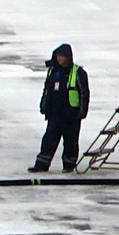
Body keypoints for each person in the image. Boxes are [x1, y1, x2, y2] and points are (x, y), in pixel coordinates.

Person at [31, 43, 89, 174]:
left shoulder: (78, 72)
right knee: (48, 140)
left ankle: (68, 166)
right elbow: (47, 90)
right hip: (55, 114)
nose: (59, 59)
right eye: (58, 56)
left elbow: (84, 93)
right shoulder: (53, 71)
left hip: (71, 115)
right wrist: (44, 105)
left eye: (62, 56)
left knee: (70, 142)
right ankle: (41, 165)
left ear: (68, 57)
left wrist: (82, 112)